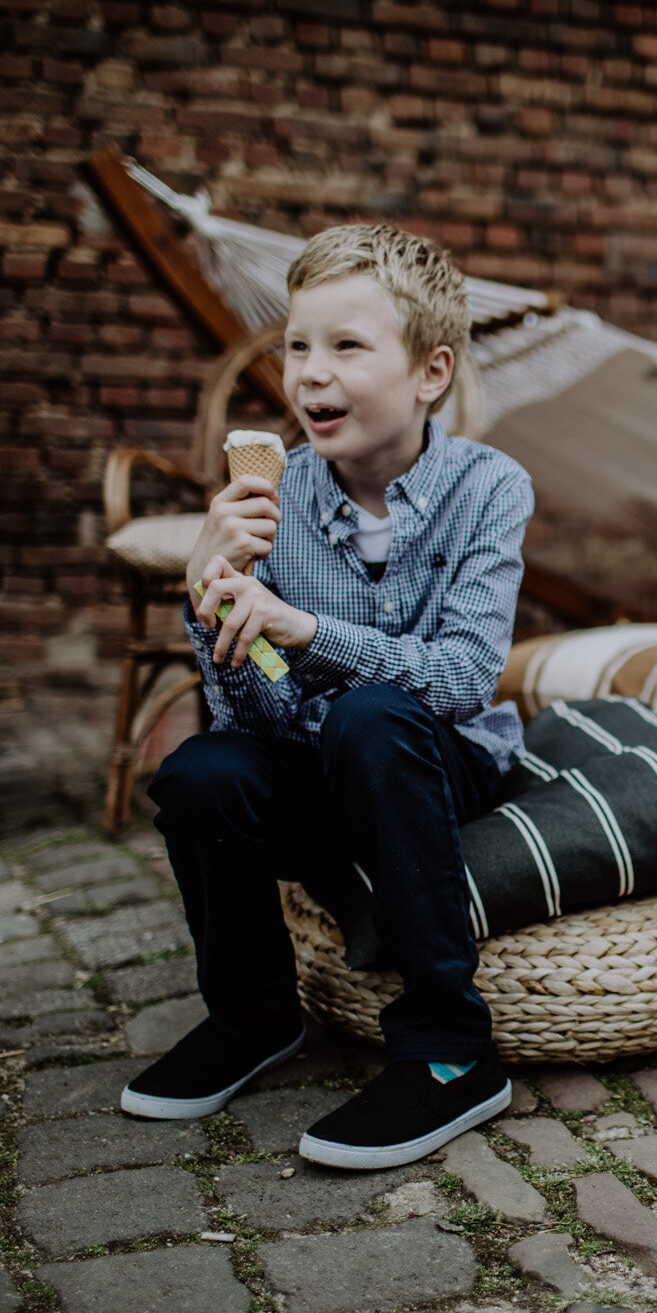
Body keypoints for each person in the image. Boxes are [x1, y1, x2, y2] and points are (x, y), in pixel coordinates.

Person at [119, 223, 533, 1171]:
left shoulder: (487, 488)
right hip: (317, 763)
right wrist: (211, 598)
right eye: (297, 346)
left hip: (439, 759)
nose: (309, 374)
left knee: (372, 713)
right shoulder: (273, 501)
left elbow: (465, 678)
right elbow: (252, 720)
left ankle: (450, 1048)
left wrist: (310, 633)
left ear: (430, 373)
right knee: (201, 772)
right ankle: (254, 1013)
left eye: (347, 347)